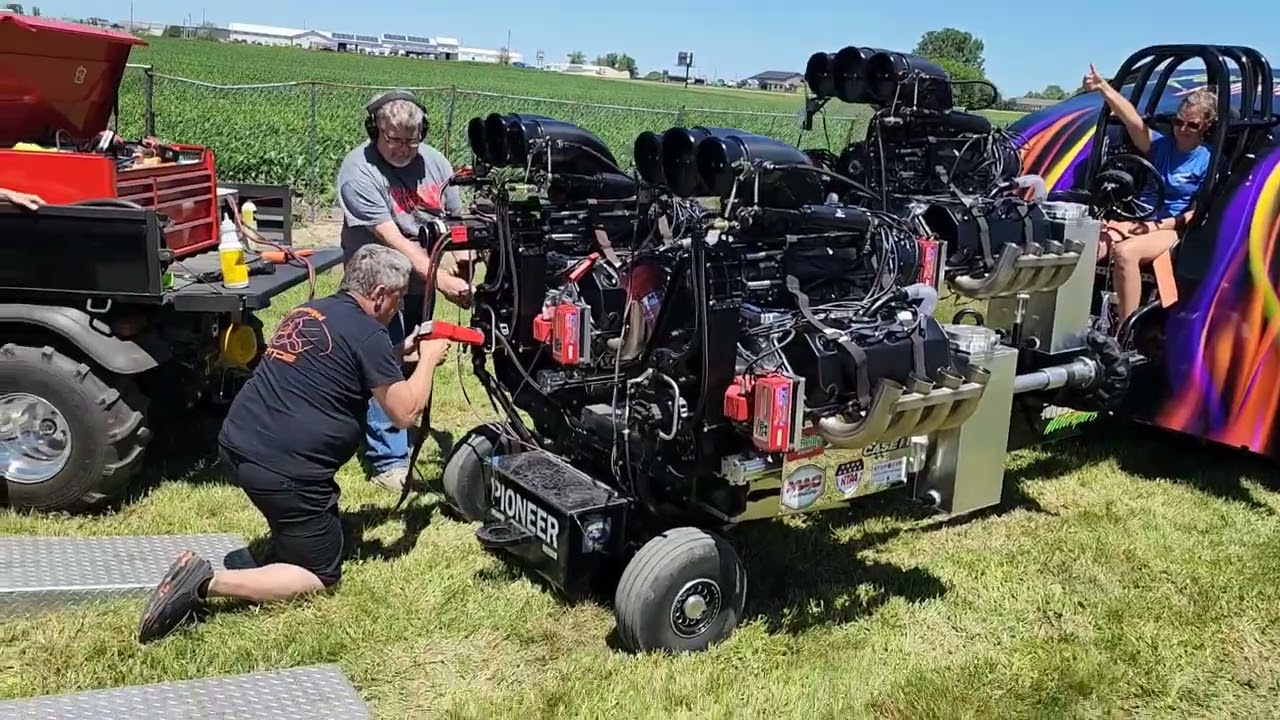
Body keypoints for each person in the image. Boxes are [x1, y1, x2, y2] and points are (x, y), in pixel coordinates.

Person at [136, 244, 452, 644]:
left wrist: (398, 352)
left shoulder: (312, 310)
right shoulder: (368, 331)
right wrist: (428, 359)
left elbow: (346, 359)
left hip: (239, 443)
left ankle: (289, 529)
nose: (398, 307)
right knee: (319, 574)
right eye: (398, 297)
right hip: (284, 470)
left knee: (314, 529)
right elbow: (404, 413)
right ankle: (205, 582)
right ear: (378, 295)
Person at [335, 89, 478, 492]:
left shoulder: (435, 163)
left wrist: (464, 263)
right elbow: (393, 239)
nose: (402, 148)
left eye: (411, 140)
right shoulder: (358, 170)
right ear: (374, 131)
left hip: (421, 279)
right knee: (385, 362)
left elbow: (455, 221)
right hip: (377, 282)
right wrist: (442, 279)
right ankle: (389, 461)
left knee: (413, 355)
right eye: (393, 139)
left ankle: (403, 422)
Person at [1084, 64, 1215, 325]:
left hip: (1174, 228)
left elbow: (1198, 213)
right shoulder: (1160, 145)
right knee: (1087, 247)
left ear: (1206, 126)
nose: (1183, 129)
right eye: (1178, 122)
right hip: (1140, 218)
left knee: (1125, 253)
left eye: (1192, 125)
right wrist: (1103, 88)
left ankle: (1125, 332)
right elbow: (1132, 120)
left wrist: (1155, 226)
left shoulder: (1208, 160)